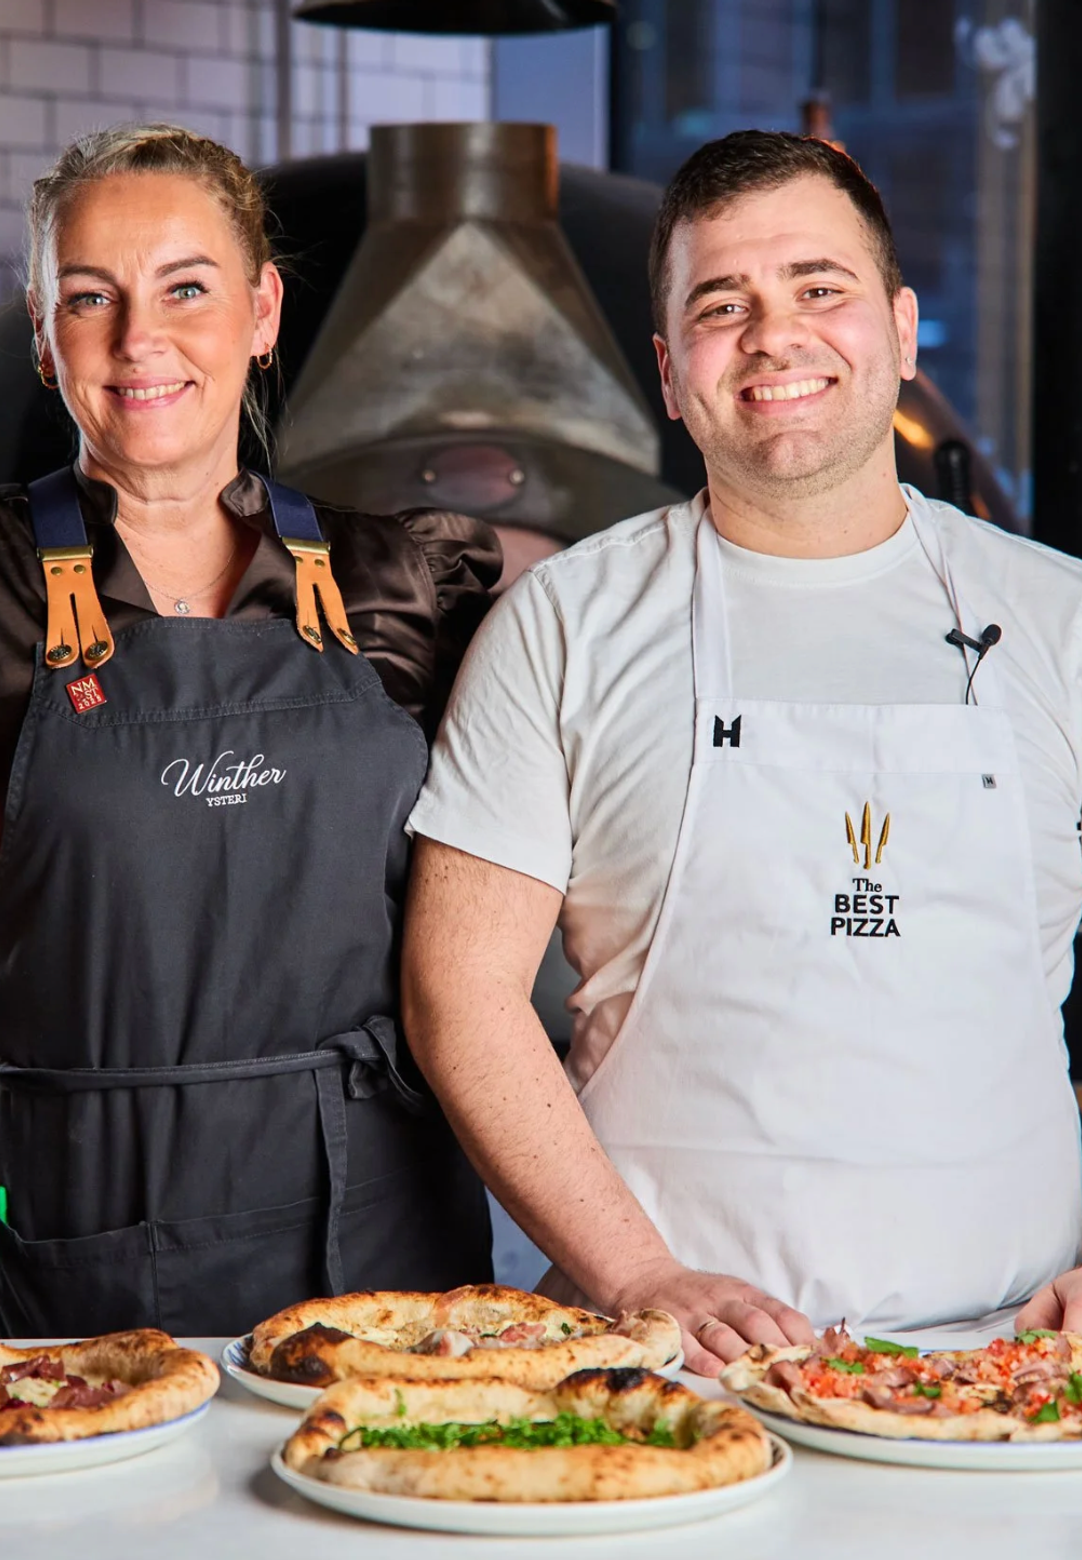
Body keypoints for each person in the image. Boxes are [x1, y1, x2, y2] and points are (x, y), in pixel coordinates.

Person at [401, 129, 1082, 1375]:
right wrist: (641, 1274)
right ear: (671, 371)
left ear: (902, 330)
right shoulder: (565, 623)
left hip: (1016, 1367)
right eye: (724, 306)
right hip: (669, 1370)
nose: (776, 337)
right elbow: (462, 993)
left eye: (819, 288)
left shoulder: (1059, 617)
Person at [0, 124, 497, 1338]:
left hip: (386, 1245)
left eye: (187, 289)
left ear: (262, 313)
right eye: (89, 297)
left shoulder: (408, 581)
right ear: (44, 335)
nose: (138, 339)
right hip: (92, 1229)